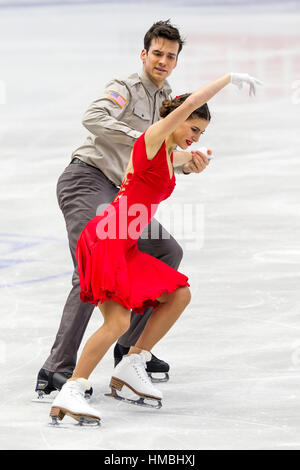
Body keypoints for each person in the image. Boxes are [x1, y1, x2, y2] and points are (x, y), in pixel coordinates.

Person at [49, 71, 262, 426]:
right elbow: (190, 103)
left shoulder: (165, 154)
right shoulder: (152, 138)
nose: (195, 136)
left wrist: (198, 155)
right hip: (108, 239)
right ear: (177, 119)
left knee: (178, 294)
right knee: (117, 321)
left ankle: (133, 363)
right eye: (193, 129)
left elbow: (181, 161)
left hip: (125, 244)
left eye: (201, 133)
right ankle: (72, 389)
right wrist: (227, 79)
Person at [35, 20, 211, 399]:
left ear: (176, 61)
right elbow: (93, 119)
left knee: (167, 251)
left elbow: (157, 160)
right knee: (93, 269)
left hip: (120, 195)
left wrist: (184, 161)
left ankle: (129, 350)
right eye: (157, 53)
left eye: (171, 56)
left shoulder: (169, 101)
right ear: (144, 54)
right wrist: (145, 140)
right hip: (87, 179)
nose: (163, 61)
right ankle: (57, 369)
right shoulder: (125, 88)